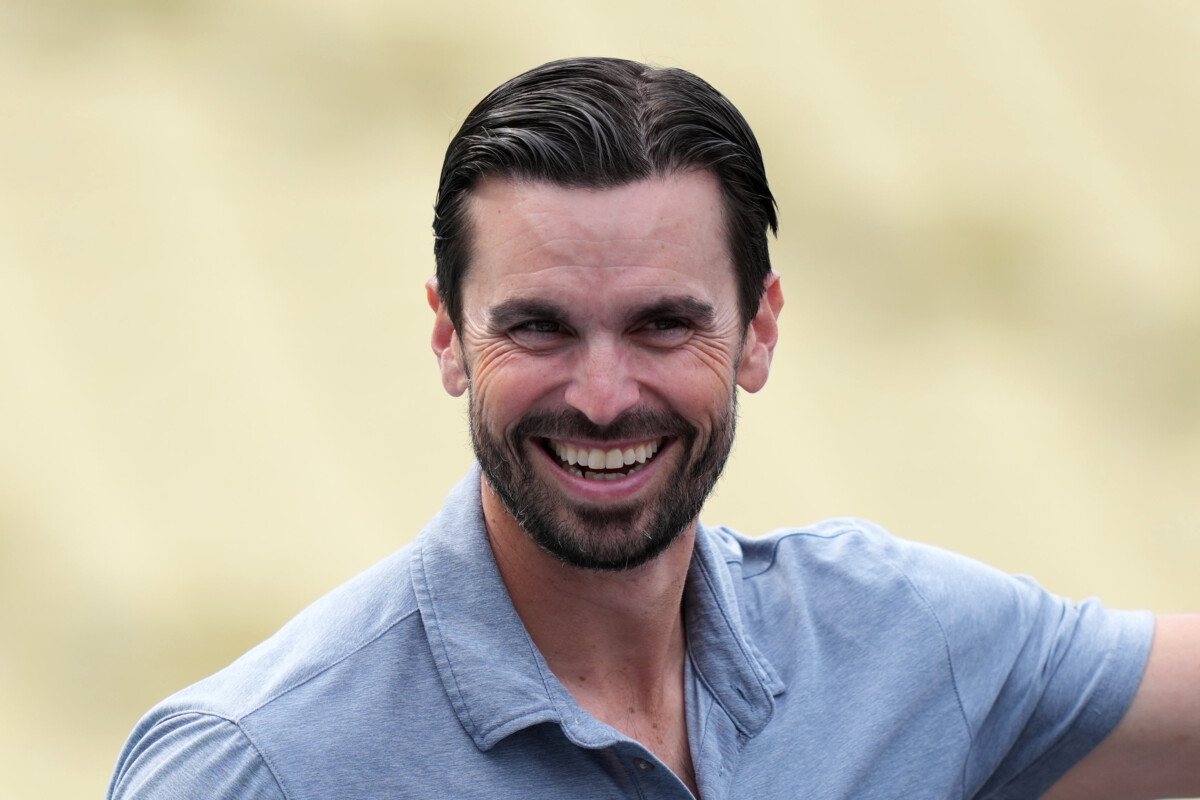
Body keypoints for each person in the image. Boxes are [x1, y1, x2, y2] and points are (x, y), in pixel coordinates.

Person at [108, 57, 1199, 800]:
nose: (601, 392)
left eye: (663, 324)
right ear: (446, 337)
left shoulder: (904, 641)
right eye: (537, 327)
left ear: (759, 330)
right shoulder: (254, 761)